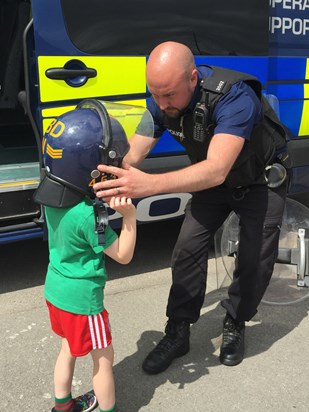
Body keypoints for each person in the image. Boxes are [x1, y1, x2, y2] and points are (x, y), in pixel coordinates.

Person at [93, 41, 290, 374]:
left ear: (193, 78)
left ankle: (236, 321)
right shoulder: (160, 101)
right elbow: (134, 155)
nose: (161, 103)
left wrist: (148, 185)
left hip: (261, 181)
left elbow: (216, 168)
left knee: (255, 260)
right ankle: (178, 330)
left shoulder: (234, 96)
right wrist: (111, 177)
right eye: (154, 94)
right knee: (186, 250)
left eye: (168, 94)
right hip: (215, 186)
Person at [34, 101, 137, 411]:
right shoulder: (92, 216)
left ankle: (62, 406)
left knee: (68, 347)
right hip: (83, 302)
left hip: (55, 290)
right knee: (104, 359)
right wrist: (129, 216)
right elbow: (123, 255)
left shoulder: (52, 197)